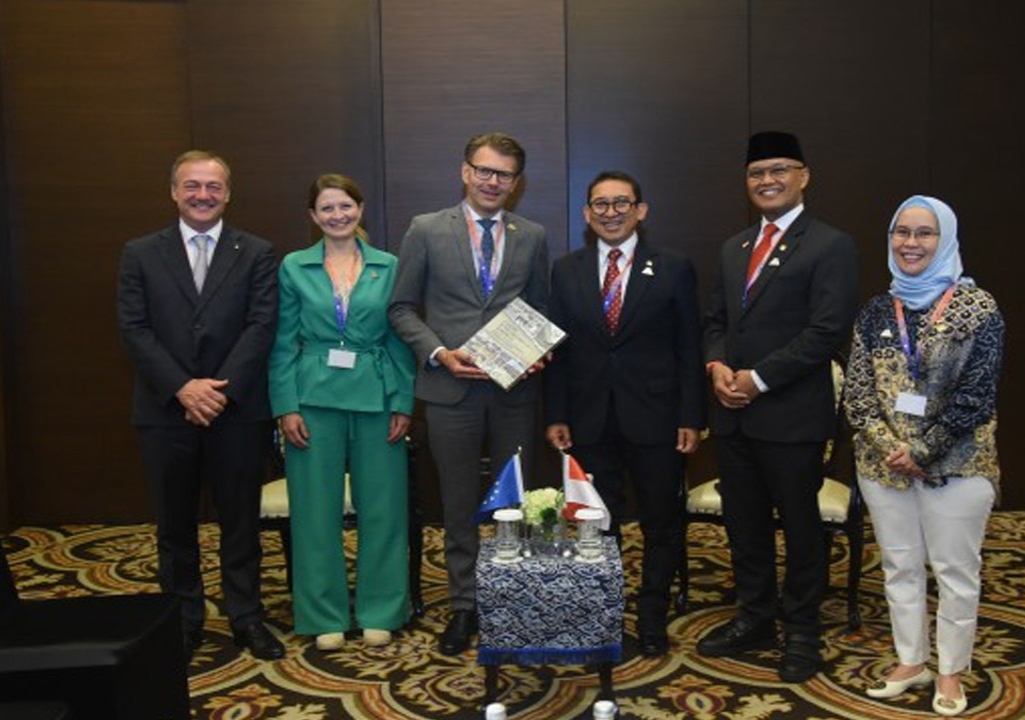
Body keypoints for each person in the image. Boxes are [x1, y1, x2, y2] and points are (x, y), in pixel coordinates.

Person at [699, 131, 858, 682]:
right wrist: (717, 367)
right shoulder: (733, 247)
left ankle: (804, 631)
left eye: (779, 170)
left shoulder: (829, 245)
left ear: (804, 176)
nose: (767, 181)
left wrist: (758, 379)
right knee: (744, 526)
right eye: (756, 173)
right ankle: (756, 617)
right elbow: (715, 320)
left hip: (791, 417)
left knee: (801, 527)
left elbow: (826, 331)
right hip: (733, 414)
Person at [117, 149, 285, 660]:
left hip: (235, 411)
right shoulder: (140, 252)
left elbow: (261, 327)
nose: (202, 195)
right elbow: (133, 328)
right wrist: (183, 388)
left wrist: (217, 392)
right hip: (165, 411)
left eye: (213, 186)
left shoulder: (256, 252)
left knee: (240, 522)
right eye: (192, 185)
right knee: (174, 525)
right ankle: (183, 620)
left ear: (228, 194)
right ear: (173, 192)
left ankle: (246, 617)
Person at [388, 132, 550, 656]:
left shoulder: (532, 235)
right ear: (465, 172)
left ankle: (512, 602)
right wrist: (439, 353)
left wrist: (539, 349)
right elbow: (402, 308)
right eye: (483, 170)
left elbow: (540, 310)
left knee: (516, 505)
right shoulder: (426, 229)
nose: (492, 181)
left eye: (503, 174)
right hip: (448, 389)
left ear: (516, 183)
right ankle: (464, 606)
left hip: (513, 392)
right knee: (458, 505)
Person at [843, 195, 1004, 717]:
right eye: (901, 232)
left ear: (946, 240)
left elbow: (975, 396)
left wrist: (923, 451)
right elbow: (858, 393)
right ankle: (911, 661)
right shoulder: (874, 311)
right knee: (899, 567)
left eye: (924, 234)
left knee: (955, 571)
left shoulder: (978, 309)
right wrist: (889, 448)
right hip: (882, 467)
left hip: (957, 466)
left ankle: (952, 671)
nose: (911, 244)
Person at [544, 170, 705, 657]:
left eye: (621, 203)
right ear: (586, 214)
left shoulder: (673, 267)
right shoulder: (565, 270)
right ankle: (605, 609)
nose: (610, 212)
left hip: (657, 419)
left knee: (661, 522)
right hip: (589, 419)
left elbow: (689, 347)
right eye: (600, 204)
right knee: (597, 521)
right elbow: (559, 351)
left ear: (641, 210)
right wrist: (556, 413)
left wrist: (691, 417)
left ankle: (652, 612)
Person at [268, 174, 416, 652]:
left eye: (345, 206)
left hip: (377, 397)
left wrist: (404, 402)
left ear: (360, 209)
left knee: (384, 510)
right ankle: (322, 614)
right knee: (314, 512)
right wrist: (284, 406)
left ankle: (381, 610)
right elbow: (282, 343)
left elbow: (399, 340)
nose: (337, 215)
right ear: (314, 217)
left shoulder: (388, 265)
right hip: (311, 401)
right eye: (327, 208)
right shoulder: (294, 266)